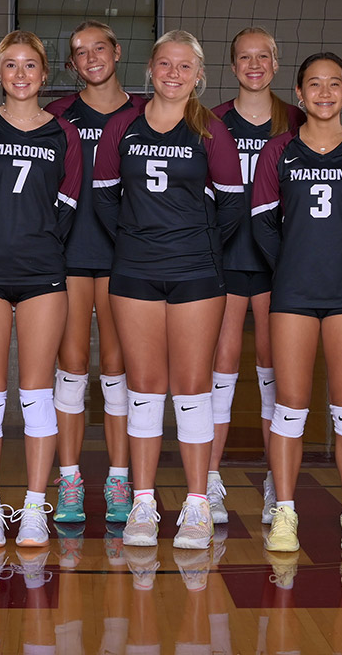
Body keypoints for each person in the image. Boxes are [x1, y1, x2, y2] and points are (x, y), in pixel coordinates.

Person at [94, 29, 244, 550]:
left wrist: (189, 243)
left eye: (185, 67)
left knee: (192, 387)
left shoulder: (212, 130)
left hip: (197, 273)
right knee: (144, 387)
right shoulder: (122, 127)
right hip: (134, 271)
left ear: (198, 75)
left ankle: (198, 506)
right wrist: (140, 239)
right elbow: (104, 198)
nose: (173, 75)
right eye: (165, 64)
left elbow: (230, 206)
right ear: (150, 69)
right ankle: (142, 503)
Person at [252, 52, 342, 555]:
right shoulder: (279, 151)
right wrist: (291, 265)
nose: (325, 93)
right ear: (300, 93)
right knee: (289, 407)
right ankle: (285, 511)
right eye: (314, 84)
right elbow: (263, 222)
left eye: (335, 84)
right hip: (292, 293)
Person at [0, 30, 82, 548]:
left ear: (45, 74)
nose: (22, 74)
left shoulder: (64, 134)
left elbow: (70, 206)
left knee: (36, 395)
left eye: (31, 66)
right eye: (12, 65)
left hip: (42, 275)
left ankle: (33, 508)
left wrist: (40, 247)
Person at [44, 21, 146, 525]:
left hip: (123, 257)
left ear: (118, 51)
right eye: (80, 52)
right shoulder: (56, 114)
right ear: (72, 64)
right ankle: (69, 480)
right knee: (69, 369)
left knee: (116, 370)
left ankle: (120, 478)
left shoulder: (146, 113)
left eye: (99, 47)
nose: (91, 58)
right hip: (66, 254)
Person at [210, 26, 304, 526]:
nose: (253, 64)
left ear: (275, 62)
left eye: (263, 56)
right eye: (244, 56)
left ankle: (275, 482)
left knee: (273, 371)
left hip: (276, 262)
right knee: (220, 369)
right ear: (231, 66)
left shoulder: (299, 121)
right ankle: (209, 480)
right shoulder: (211, 121)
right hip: (224, 260)